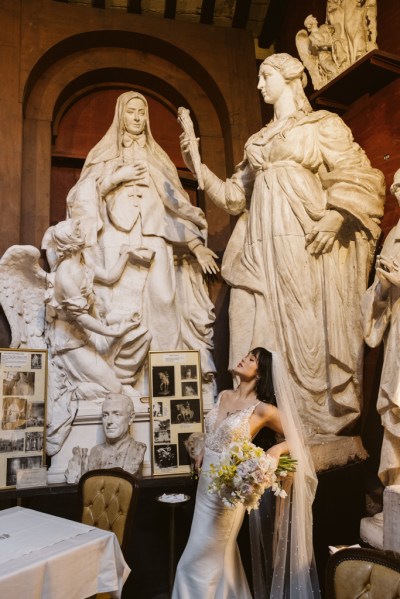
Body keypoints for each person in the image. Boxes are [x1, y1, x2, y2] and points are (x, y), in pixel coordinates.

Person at [181, 53, 385, 436]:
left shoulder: (321, 125)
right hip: (258, 246)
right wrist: (198, 168)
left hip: (301, 238)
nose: (259, 86)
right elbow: (233, 198)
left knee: (305, 329)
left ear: (292, 77)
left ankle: (311, 420)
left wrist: (337, 215)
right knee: (251, 321)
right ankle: (259, 420)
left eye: (265, 76)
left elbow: (360, 174)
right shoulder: (257, 140)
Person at [66, 91, 219, 397]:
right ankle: (120, 384)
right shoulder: (104, 155)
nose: (136, 118)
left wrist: (194, 243)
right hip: (115, 238)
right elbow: (78, 200)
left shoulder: (157, 158)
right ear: (120, 116)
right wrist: (114, 178)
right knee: (119, 305)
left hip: (154, 234)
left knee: (163, 298)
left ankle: (166, 383)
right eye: (131, 112)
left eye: (141, 113)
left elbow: (175, 203)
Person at [172, 348, 320, 599]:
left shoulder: (263, 410)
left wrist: (275, 449)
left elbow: (301, 438)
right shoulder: (224, 395)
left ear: (260, 374)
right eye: (246, 356)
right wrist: (202, 449)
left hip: (226, 494)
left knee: (195, 562)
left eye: (251, 359)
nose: (242, 359)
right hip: (204, 487)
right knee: (222, 559)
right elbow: (216, 434)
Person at [44, 219, 149, 454]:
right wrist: (113, 330)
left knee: (139, 332)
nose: (82, 230)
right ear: (71, 242)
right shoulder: (65, 275)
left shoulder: (83, 259)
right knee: (113, 385)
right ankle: (73, 389)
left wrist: (125, 254)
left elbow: (110, 277)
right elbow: (81, 318)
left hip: (88, 331)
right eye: (77, 230)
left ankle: (112, 381)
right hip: (70, 343)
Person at [362, 168, 400, 486]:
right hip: (397, 331)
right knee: (394, 409)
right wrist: (384, 287)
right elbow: (377, 296)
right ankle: (396, 482)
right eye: (395, 184)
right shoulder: (393, 235)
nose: (395, 187)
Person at [87, 394, 146, 476]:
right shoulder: (95, 452)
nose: (109, 421)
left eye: (117, 414)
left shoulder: (138, 450)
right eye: (105, 415)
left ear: (131, 418)